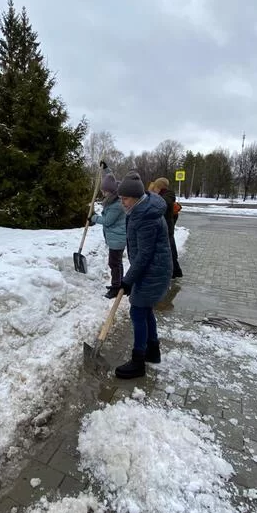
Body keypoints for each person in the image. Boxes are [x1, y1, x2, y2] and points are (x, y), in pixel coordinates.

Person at [114, 170, 172, 379]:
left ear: (137, 197)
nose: (123, 203)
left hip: (153, 270)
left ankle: (138, 362)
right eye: (120, 198)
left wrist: (127, 281)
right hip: (151, 269)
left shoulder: (146, 216)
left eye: (126, 198)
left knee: (138, 312)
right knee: (145, 310)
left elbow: (145, 255)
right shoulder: (141, 209)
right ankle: (152, 351)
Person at [89, 161, 126, 299]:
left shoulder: (116, 204)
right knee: (117, 263)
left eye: (104, 191)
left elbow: (108, 221)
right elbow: (112, 178)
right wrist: (106, 169)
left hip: (118, 239)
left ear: (111, 192)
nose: (103, 193)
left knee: (114, 263)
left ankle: (116, 287)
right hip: (116, 238)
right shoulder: (114, 194)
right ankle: (119, 283)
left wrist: (93, 218)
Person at [150, 177, 183, 278]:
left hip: (167, 229)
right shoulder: (161, 195)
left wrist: (151, 194)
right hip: (164, 228)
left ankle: (175, 272)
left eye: (155, 187)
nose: (154, 189)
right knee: (169, 251)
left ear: (159, 187)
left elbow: (163, 202)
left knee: (170, 251)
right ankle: (175, 272)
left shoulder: (168, 194)